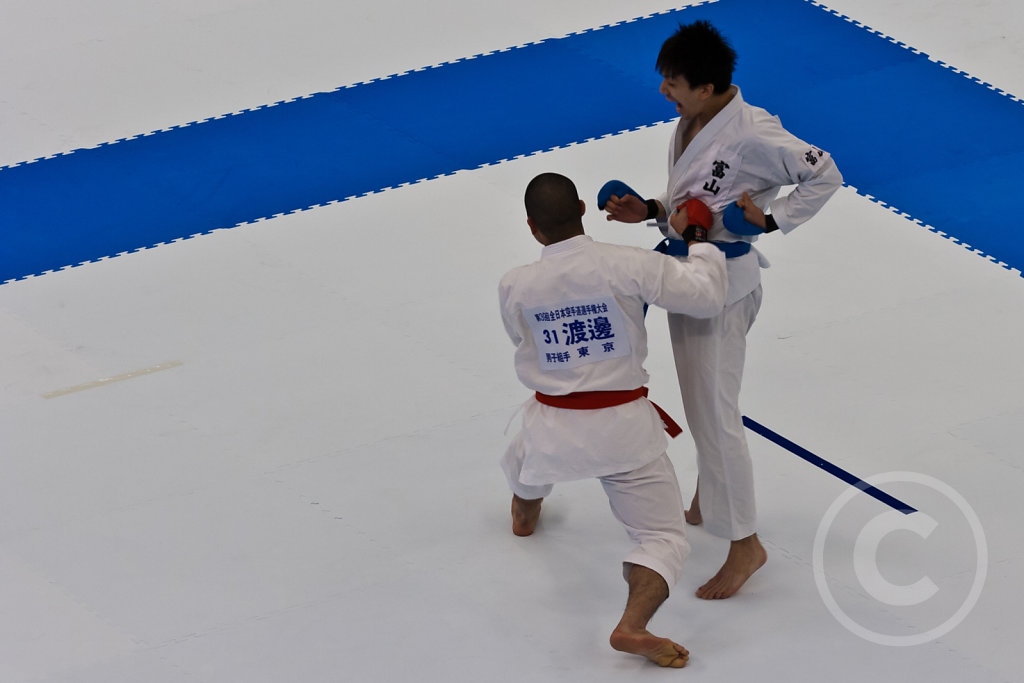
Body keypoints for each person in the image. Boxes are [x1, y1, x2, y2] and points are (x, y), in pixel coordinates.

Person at [602, 20, 843, 600]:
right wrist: (653, 209)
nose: (665, 92)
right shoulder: (695, 119)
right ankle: (712, 495)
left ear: (707, 87)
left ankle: (745, 544)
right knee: (700, 404)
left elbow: (825, 172)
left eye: (674, 83)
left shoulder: (755, 133)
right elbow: (695, 199)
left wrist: (773, 218)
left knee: (715, 415)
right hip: (692, 273)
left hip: (724, 287)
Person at [499, 172, 727, 667]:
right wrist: (699, 241)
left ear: (532, 227)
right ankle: (632, 625)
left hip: (552, 426)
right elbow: (707, 297)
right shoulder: (630, 265)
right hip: (623, 428)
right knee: (662, 538)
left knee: (524, 459)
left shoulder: (515, 285)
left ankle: (525, 513)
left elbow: (523, 342)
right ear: (583, 208)